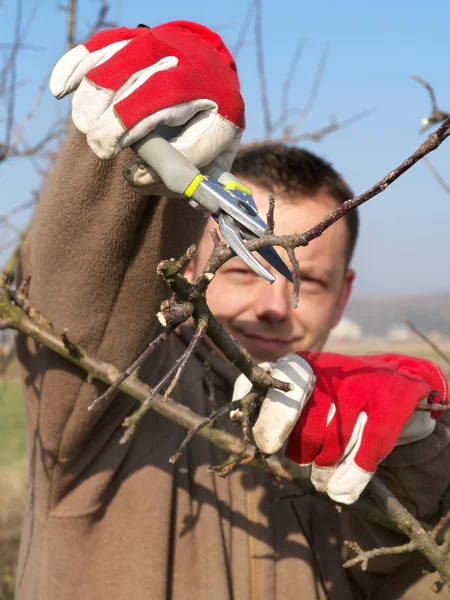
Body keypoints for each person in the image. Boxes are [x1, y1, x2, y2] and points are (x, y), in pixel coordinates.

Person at [14, 21, 449, 600]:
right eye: (244, 267)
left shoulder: (345, 436)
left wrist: (421, 458)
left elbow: (417, 576)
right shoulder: (111, 394)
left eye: (307, 281)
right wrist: (136, 159)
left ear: (343, 295)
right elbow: (87, 292)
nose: (274, 305)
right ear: (188, 266)